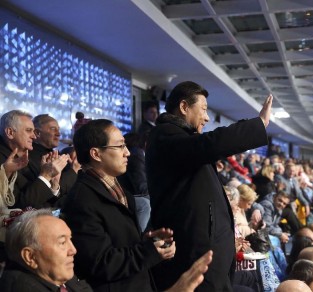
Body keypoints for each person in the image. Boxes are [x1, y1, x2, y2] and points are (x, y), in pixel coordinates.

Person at [145, 81, 274, 291]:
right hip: (193, 255)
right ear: (184, 107)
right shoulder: (165, 135)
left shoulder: (181, 138)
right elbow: (210, 144)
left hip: (204, 253)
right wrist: (258, 124)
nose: (206, 117)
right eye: (203, 110)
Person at [62, 119, 177, 291]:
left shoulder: (117, 190)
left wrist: (150, 243)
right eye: (120, 146)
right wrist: (148, 252)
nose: (128, 153)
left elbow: (121, 244)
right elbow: (100, 263)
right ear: (96, 154)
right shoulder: (82, 200)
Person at [0, 208, 214, 292]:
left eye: (71, 240)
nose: (73, 250)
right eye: (62, 242)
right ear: (30, 256)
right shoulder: (21, 287)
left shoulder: (63, 278)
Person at [0, 110, 66, 209]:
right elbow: (18, 206)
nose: (34, 136)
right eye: (28, 130)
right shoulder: (3, 159)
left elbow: (43, 200)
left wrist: (54, 183)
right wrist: (46, 176)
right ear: (10, 132)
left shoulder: (25, 156)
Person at [22, 114, 79, 208]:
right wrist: (74, 170)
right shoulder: (28, 157)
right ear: (37, 133)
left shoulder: (59, 155)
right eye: (53, 129)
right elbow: (44, 191)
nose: (58, 133)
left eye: (58, 129)